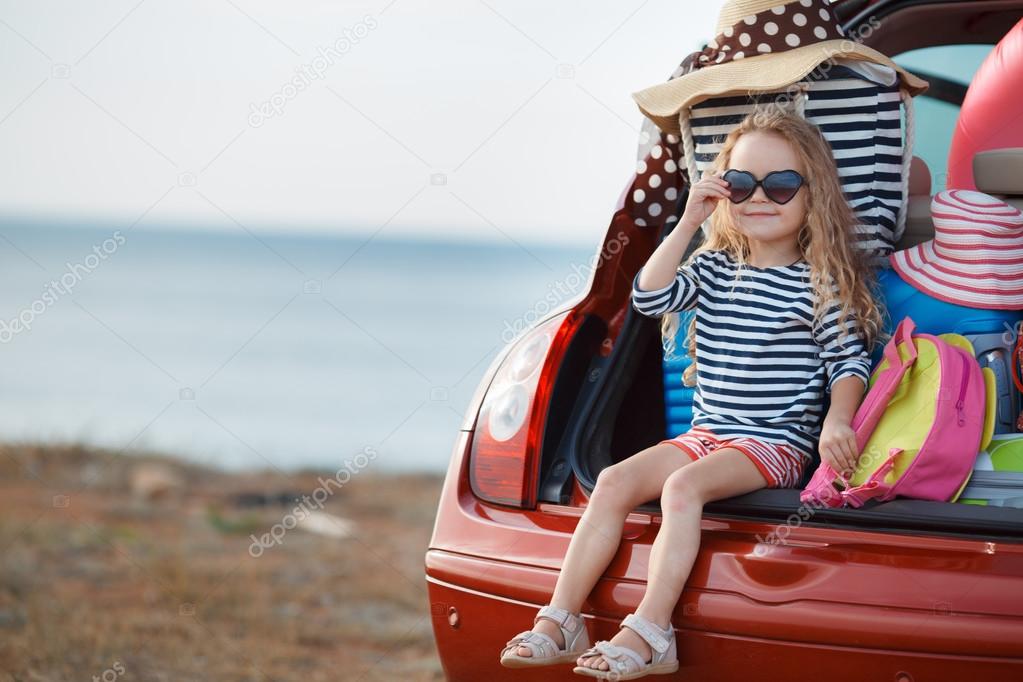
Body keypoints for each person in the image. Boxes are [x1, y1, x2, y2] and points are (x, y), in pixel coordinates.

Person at [498, 108, 885, 680]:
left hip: (774, 442)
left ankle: (653, 629)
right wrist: (687, 223)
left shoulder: (820, 282)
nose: (760, 198)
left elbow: (847, 363)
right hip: (709, 434)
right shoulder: (711, 270)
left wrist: (839, 421)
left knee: (681, 489)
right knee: (611, 482)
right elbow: (649, 298)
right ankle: (562, 617)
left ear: (813, 196)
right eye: (740, 184)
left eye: (780, 185)